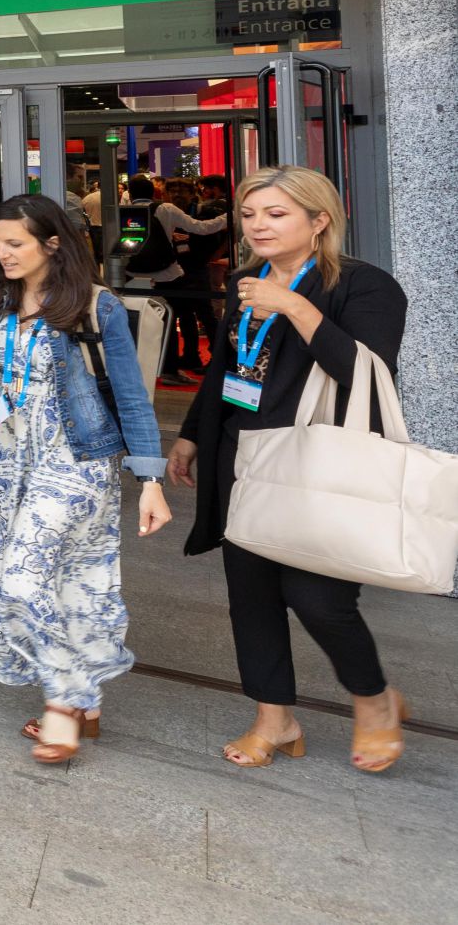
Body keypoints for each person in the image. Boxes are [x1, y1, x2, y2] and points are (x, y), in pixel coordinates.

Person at [167, 165, 410, 774]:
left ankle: (374, 699)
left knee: (318, 597)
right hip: (244, 457)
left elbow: (367, 376)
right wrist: (193, 435)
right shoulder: (245, 282)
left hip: (318, 464)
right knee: (250, 596)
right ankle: (275, 720)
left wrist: (296, 307)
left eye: (276, 214)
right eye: (250, 214)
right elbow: (228, 370)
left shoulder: (365, 286)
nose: (258, 226)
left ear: (319, 219)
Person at [0, 197, 169, 764]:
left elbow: (131, 395)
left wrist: (150, 478)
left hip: (75, 457)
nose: (2, 253)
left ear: (53, 242)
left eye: (15, 243)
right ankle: (84, 702)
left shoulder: (96, 306)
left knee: (23, 578)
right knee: (64, 578)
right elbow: (7, 377)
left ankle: (65, 702)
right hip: (7, 457)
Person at [132, 175, 230, 387]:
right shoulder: (165, 209)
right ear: (157, 192)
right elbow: (202, 228)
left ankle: (170, 363)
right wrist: (228, 216)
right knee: (177, 316)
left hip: (135, 275)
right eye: (173, 190)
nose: (177, 194)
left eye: (181, 191)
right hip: (168, 273)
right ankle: (171, 368)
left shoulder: (122, 211)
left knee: (170, 318)